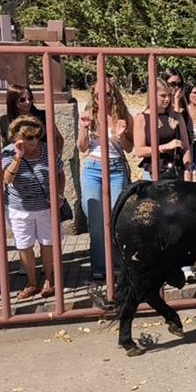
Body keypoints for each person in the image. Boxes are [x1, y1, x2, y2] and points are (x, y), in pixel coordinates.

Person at [1, 116, 65, 300]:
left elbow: (60, 174)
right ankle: (32, 282)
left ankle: (49, 280)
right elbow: (7, 179)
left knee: (48, 243)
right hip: (19, 208)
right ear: (17, 137)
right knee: (24, 245)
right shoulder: (8, 152)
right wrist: (18, 157)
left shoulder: (47, 150)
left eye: (37, 136)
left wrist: (59, 194)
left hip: (45, 207)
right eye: (29, 137)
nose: (34, 141)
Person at [77, 77, 133, 281]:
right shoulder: (88, 115)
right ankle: (99, 266)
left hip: (116, 168)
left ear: (114, 95)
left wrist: (121, 136)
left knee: (116, 218)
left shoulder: (123, 116)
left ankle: (117, 264)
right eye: (98, 95)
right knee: (96, 220)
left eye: (107, 94)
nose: (103, 99)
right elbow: (82, 147)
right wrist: (83, 129)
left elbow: (130, 148)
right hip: (92, 169)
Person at [0, 84, 64, 153]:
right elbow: (6, 146)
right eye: (22, 100)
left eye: (30, 98)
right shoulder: (4, 121)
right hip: (19, 158)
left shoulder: (43, 116)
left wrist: (56, 155)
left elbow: (58, 138)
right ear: (13, 102)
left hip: (43, 157)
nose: (27, 102)